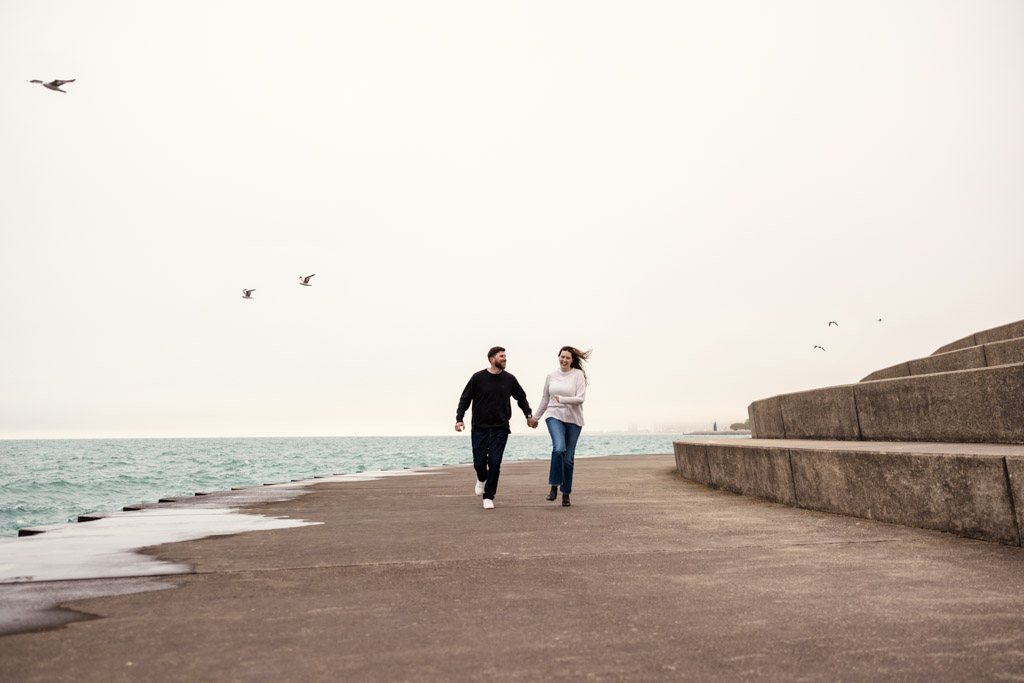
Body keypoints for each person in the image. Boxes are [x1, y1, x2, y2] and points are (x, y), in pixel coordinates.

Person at [455, 346, 538, 509]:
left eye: (505, 356)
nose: (505, 359)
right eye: (501, 356)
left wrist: (528, 415)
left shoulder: (510, 379)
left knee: (495, 461)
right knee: (479, 463)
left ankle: (489, 496)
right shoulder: (477, 378)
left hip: (501, 427)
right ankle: (481, 478)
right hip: (479, 427)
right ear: (492, 359)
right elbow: (465, 399)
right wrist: (459, 419)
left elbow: (521, 398)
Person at [534, 346, 590, 507]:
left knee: (568, 459)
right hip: (554, 415)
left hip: (574, 419)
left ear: (572, 360)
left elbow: (580, 399)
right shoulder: (551, 376)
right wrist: (535, 418)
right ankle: (553, 486)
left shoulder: (578, 375)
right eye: (562, 357)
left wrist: (563, 399)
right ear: (558, 357)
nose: (564, 360)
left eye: (568, 358)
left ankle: (566, 494)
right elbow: (545, 399)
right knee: (559, 448)